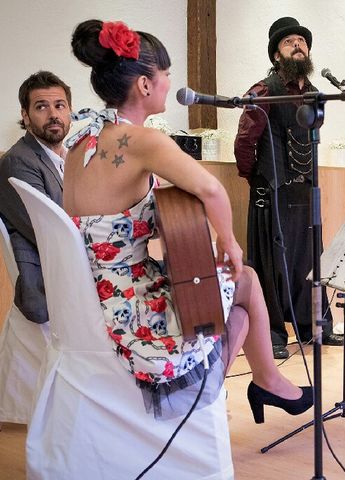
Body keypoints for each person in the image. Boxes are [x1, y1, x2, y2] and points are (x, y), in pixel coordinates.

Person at [64, 19, 312, 421]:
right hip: (133, 314)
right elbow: (211, 190)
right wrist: (228, 242)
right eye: (165, 75)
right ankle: (242, 391)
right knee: (245, 279)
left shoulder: (81, 138)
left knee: (240, 309)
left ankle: (260, 384)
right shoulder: (144, 141)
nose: (167, 83)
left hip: (92, 299)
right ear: (145, 85)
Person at [234, 16, 341, 359]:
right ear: (276, 55)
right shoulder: (262, 92)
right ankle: (273, 333)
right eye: (289, 42)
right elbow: (244, 143)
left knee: (309, 261)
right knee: (272, 263)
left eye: (302, 41)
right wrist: (259, 179)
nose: (298, 45)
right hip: (272, 190)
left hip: (305, 192)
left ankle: (315, 328)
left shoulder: (313, 94)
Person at [0, 71, 72, 325]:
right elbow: (49, 231)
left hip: (69, 267)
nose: (53, 114)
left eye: (59, 105)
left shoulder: (69, 157)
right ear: (25, 115)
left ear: (69, 111)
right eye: (41, 106)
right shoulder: (19, 161)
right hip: (51, 281)